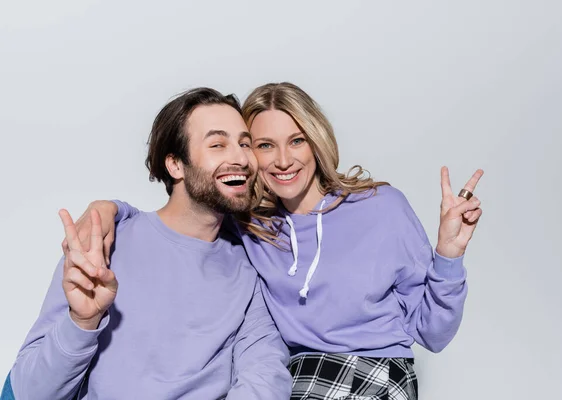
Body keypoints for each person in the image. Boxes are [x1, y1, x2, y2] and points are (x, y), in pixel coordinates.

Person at [76, 82, 484, 400]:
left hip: (378, 369)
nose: (283, 161)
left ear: (317, 141)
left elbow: (434, 333)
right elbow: (186, 214)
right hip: (300, 374)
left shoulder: (382, 208)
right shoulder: (250, 225)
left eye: (296, 141)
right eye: (264, 146)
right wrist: (110, 209)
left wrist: (449, 254)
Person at [5, 88, 292, 400]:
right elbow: (26, 393)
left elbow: (264, 373)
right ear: (175, 165)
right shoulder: (102, 243)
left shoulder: (252, 262)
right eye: (217, 144)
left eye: (244, 144)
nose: (239, 158)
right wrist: (82, 322)